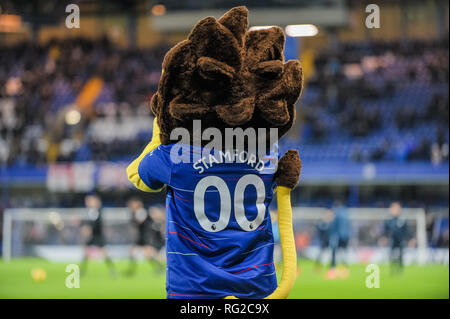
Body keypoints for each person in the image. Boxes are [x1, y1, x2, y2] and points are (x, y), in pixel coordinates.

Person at [80, 193, 117, 277]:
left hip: (98, 236)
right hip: (91, 237)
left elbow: (95, 223)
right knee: (85, 253)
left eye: (89, 201)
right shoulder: (88, 212)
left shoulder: (98, 211)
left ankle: (112, 270)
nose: (87, 202)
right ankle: (82, 271)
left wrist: (88, 228)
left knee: (105, 254)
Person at [125, 197, 164, 275]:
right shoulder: (137, 212)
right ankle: (131, 270)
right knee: (133, 252)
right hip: (141, 238)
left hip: (146, 238)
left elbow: (139, 222)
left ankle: (161, 268)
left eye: (132, 204)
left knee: (150, 254)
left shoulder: (141, 212)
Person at [326, 201, 350, 280]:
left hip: (337, 236)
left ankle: (333, 269)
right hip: (346, 236)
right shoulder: (346, 213)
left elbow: (333, 226)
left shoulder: (336, 213)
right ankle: (345, 269)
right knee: (343, 252)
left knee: (334, 252)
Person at [384, 201, 408, 274]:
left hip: (400, 240)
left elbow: (406, 230)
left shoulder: (402, 219)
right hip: (392, 240)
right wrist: (384, 238)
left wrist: (409, 239)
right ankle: (392, 269)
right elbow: (386, 230)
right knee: (391, 255)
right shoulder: (389, 220)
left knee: (401, 255)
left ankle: (400, 269)